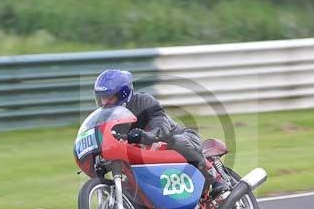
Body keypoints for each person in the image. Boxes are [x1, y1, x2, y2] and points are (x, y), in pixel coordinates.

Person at [93, 69, 228, 198]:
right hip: (150, 157)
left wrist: (146, 136)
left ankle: (215, 178)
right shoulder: (107, 118)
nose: (105, 102)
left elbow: (161, 123)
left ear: (123, 93)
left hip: (179, 138)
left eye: (109, 97)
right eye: (102, 98)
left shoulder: (144, 101)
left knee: (177, 141)